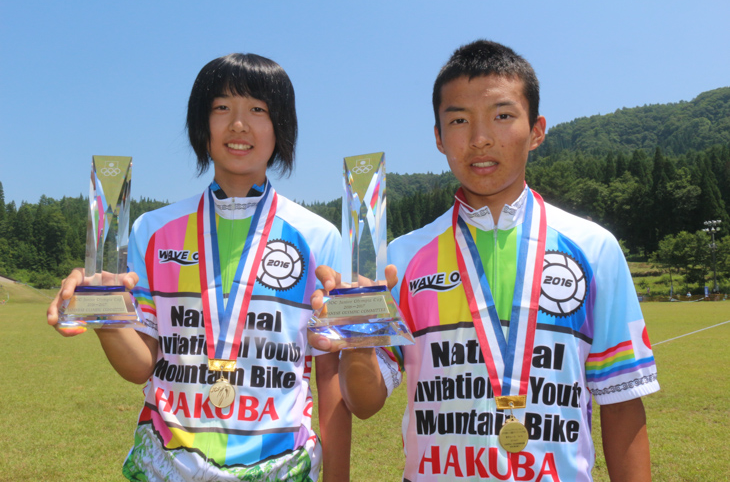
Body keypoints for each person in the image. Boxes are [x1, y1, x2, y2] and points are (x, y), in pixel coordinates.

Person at [312, 40, 659, 481]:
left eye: (502, 115)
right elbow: (365, 404)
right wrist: (357, 337)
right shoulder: (400, 257)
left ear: (537, 129)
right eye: (458, 120)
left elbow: (621, 403)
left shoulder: (594, 248)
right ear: (438, 137)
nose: (479, 138)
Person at [47, 53, 350, 481]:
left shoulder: (319, 237)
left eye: (258, 110)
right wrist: (105, 315)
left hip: (281, 467)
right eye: (221, 107)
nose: (239, 124)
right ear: (200, 125)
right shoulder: (153, 230)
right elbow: (141, 365)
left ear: (280, 126)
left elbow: (329, 377)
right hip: (168, 465)